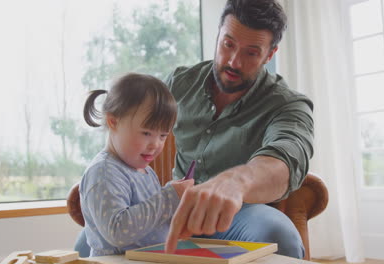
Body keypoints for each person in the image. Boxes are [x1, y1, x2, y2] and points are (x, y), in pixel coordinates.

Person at [164, 0, 314, 259]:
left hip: (240, 215)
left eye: (251, 52)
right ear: (219, 34)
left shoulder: (289, 105)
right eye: (228, 44)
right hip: (172, 208)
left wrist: (237, 182)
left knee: (280, 237)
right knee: (90, 238)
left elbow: (288, 157)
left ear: (270, 54)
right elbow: (133, 125)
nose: (234, 61)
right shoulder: (179, 83)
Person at [78, 73, 194, 257]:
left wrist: (179, 215)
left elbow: (148, 223)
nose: (155, 144)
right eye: (146, 133)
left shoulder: (145, 171)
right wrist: (168, 198)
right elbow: (118, 231)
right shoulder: (104, 172)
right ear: (113, 122)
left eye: (163, 135)